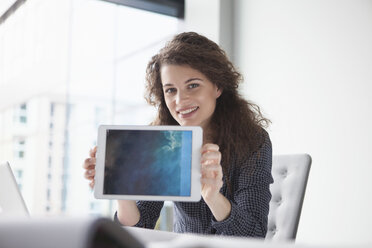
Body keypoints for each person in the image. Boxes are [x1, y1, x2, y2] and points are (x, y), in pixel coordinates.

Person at [83, 32, 273, 238]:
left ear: (217, 86)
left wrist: (213, 196)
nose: (180, 101)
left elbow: (254, 236)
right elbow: (139, 227)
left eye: (193, 85)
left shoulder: (254, 141)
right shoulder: (162, 142)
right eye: (170, 90)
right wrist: (120, 187)